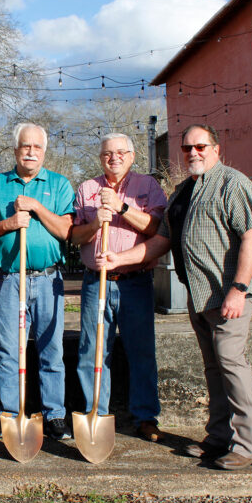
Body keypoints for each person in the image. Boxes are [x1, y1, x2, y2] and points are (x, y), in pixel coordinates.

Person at [99, 124, 252, 470]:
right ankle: (218, 438)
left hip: (228, 295)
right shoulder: (181, 193)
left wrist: (240, 289)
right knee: (213, 368)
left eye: (201, 146)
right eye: (188, 148)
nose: (193, 153)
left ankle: (247, 444)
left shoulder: (233, 183)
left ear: (216, 149)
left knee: (231, 364)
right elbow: (162, 242)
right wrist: (119, 258)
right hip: (200, 296)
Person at [70, 133, 168, 442]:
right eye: (107, 154)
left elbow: (156, 229)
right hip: (95, 283)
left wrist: (122, 208)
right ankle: (96, 415)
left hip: (134, 282)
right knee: (93, 352)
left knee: (141, 351)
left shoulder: (148, 188)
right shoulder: (87, 189)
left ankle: (146, 417)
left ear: (132, 155)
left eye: (121, 152)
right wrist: (96, 223)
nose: (114, 157)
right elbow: (75, 237)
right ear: (101, 158)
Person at [0, 123, 75, 440]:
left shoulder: (60, 185)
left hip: (49, 279)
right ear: (16, 149)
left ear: (44, 151)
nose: (31, 152)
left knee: (51, 349)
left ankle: (54, 416)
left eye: (36, 147)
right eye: (25, 146)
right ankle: (11, 413)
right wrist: (9, 223)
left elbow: (66, 231)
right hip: (8, 279)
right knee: (7, 350)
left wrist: (36, 207)